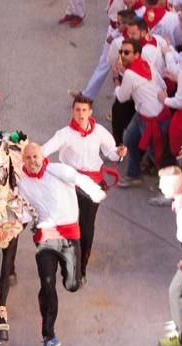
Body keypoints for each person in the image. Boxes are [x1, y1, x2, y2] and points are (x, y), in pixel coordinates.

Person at [17, 142, 105, 346]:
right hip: (45, 237)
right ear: (23, 161)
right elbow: (26, 212)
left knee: (72, 284)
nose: (33, 161)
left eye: (35, 156)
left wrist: (95, 193)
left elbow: (80, 179)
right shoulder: (22, 184)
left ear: (42, 155)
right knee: (47, 284)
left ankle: (74, 277)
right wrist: (13, 222)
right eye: (28, 158)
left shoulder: (58, 171)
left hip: (69, 235)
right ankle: (49, 335)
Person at [42, 95, 126, 282]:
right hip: (69, 184)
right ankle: (66, 264)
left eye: (84, 110)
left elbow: (111, 153)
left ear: (90, 112)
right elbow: (44, 150)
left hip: (92, 185)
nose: (81, 114)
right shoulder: (64, 134)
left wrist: (119, 153)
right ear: (72, 111)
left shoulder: (100, 132)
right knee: (67, 225)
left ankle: (81, 269)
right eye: (77, 110)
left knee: (87, 228)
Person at [113, 39, 168, 188]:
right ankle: (133, 174)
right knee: (129, 139)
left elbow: (122, 97)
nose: (122, 55)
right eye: (121, 52)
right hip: (148, 113)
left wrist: (117, 79)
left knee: (155, 153)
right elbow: (161, 84)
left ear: (137, 54)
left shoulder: (130, 74)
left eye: (126, 52)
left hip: (150, 118)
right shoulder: (146, 65)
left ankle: (169, 185)